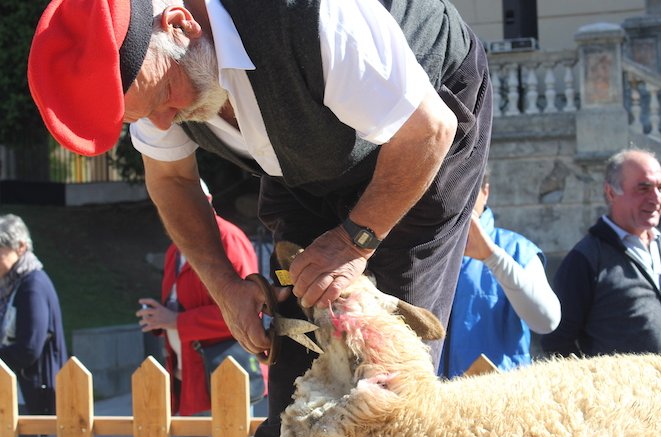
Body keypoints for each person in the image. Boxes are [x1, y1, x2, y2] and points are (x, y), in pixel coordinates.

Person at [28, 0, 490, 433]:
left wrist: (353, 242)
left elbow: (429, 129)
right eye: (146, 116)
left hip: (420, 137)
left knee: (382, 378)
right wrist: (225, 288)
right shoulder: (153, 76)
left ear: (180, 25)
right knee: (296, 377)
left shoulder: (312, 18)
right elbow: (172, 182)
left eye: (166, 95)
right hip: (305, 158)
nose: (165, 123)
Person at [541, 149, 661, 362]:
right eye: (644, 188)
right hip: (621, 384)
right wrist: (593, 380)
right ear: (611, 193)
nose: (656, 198)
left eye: (660, 188)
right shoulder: (587, 258)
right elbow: (556, 341)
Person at [136, 180, 264, 415]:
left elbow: (248, 311)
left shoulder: (228, 239)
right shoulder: (175, 249)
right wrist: (160, 318)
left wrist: (177, 321)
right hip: (189, 378)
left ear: (205, 202)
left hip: (224, 376)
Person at [439, 171, 560, 378]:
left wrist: (492, 257)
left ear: (485, 192)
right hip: (429, 394)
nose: (458, 197)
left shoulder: (517, 250)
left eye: (468, 187)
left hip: (498, 395)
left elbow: (547, 321)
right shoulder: (419, 252)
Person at [0, 214, 68, 416]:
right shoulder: (12, 285)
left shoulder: (33, 286)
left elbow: (28, 349)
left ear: (21, 247)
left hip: (37, 397)